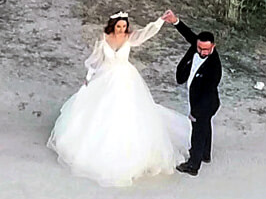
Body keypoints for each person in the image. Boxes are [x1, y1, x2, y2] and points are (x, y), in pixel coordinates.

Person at [47, 10, 191, 187]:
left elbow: (147, 32)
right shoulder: (104, 39)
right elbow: (96, 60)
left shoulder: (130, 38)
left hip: (126, 78)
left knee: (127, 111)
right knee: (99, 110)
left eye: (124, 26)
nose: (122, 29)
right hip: (106, 77)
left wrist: (160, 21)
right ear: (112, 26)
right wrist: (89, 77)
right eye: (119, 26)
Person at [163, 10, 222, 176]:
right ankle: (205, 154)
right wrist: (175, 21)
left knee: (198, 130)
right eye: (200, 48)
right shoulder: (196, 45)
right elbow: (188, 34)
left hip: (206, 102)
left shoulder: (214, 67)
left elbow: (208, 92)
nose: (203, 52)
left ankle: (193, 165)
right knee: (205, 126)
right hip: (201, 99)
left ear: (213, 47)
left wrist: (195, 112)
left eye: (206, 50)